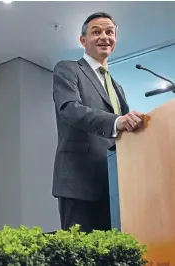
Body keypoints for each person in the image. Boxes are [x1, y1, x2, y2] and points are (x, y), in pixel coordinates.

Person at [52, 12, 145, 232]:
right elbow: (69, 109)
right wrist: (117, 121)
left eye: (109, 32)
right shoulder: (68, 69)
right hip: (79, 181)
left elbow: (124, 132)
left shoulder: (117, 86)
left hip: (114, 184)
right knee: (82, 254)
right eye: (96, 32)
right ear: (83, 40)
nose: (104, 36)